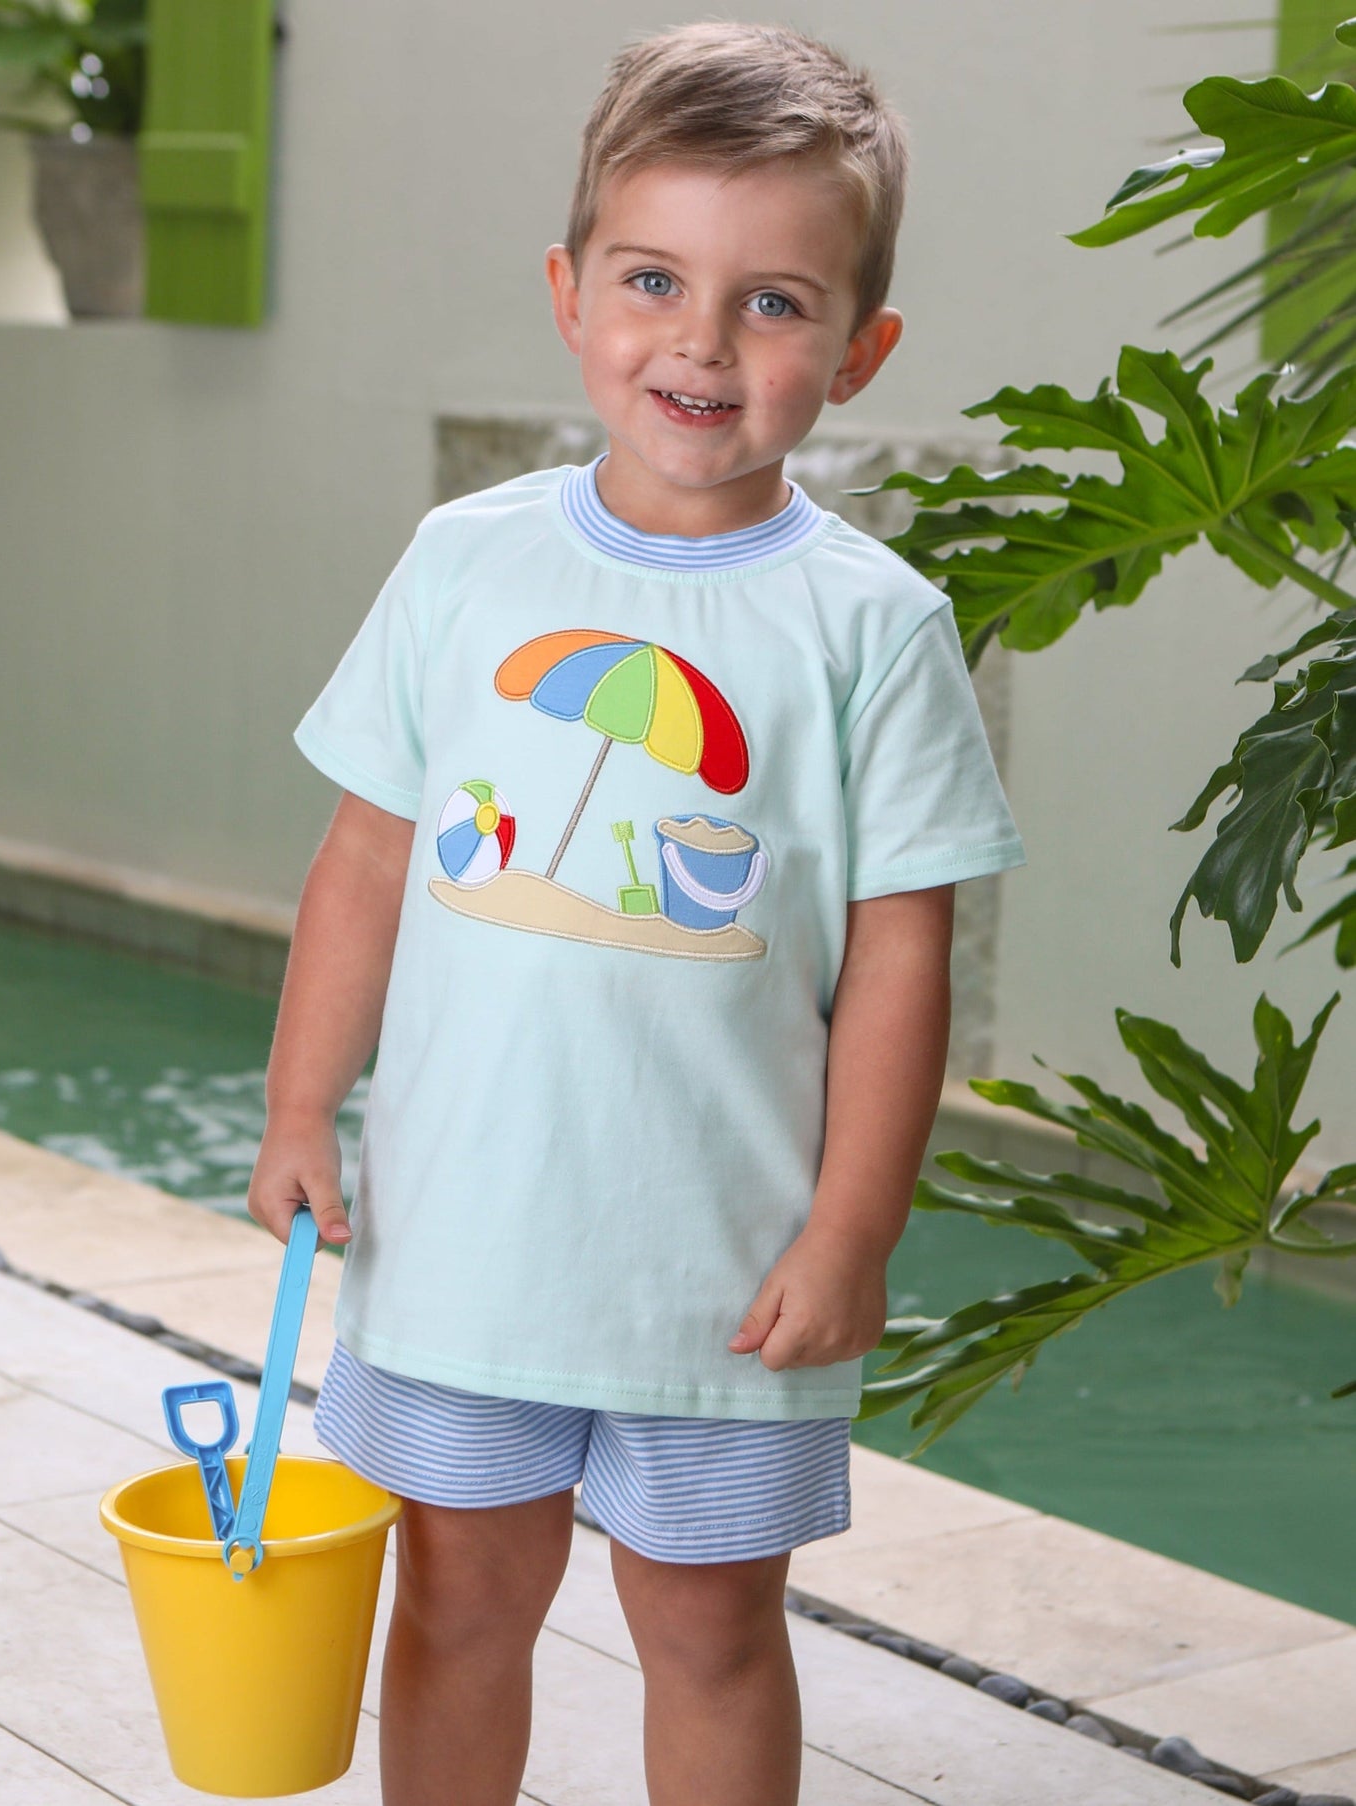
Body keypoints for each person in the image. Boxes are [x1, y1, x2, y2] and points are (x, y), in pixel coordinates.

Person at [248, 21, 1024, 1806]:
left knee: (709, 1628)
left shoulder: (872, 627)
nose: (700, 340)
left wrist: (850, 1229)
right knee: (457, 1605)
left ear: (859, 348)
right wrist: (298, 1104)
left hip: (723, 1272)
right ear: (569, 292)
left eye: (773, 302)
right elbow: (367, 859)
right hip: (464, 1244)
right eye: (653, 279)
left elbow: (900, 958)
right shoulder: (465, 561)